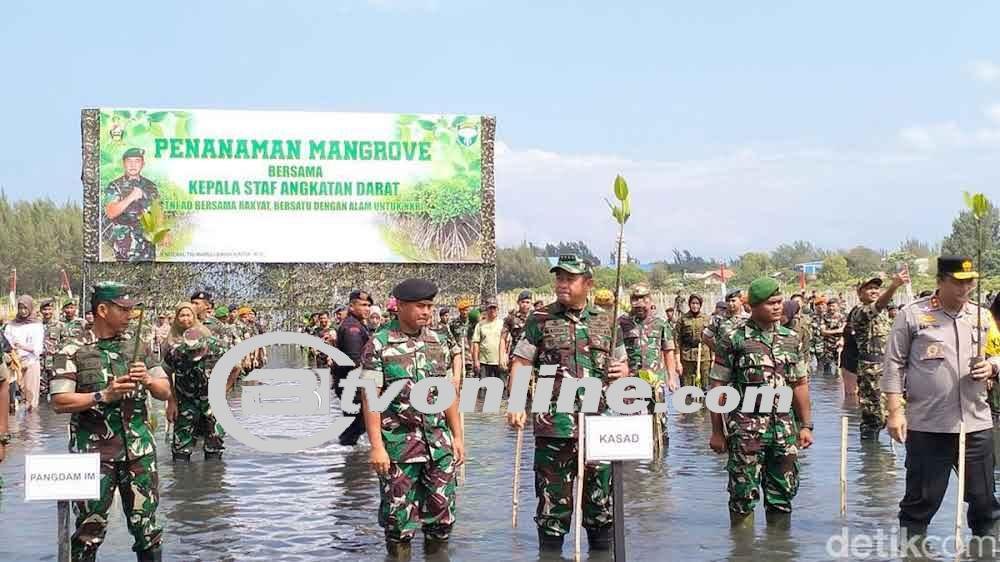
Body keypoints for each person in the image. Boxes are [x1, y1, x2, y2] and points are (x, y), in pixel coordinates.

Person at [506, 254, 628, 552]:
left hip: (599, 425)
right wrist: (517, 403)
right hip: (554, 426)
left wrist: (623, 372)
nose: (562, 284)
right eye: (559, 278)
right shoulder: (540, 319)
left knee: (600, 507)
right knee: (552, 506)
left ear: (588, 284)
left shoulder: (607, 321)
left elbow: (623, 367)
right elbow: (522, 362)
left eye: (569, 279)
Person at [883, 256, 1000, 550]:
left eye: (970, 282)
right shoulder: (912, 316)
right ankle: (912, 552)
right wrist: (895, 412)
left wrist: (993, 367)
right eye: (958, 282)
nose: (966, 288)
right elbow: (893, 364)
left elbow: (999, 352)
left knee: (985, 502)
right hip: (928, 425)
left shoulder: (982, 316)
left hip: (976, 423)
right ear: (940, 281)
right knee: (921, 502)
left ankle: (984, 552)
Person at [50, 282, 172, 561]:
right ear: (102, 310)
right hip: (94, 456)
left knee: (148, 531)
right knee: (88, 532)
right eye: (123, 308)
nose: (130, 314)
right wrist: (103, 395)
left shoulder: (137, 346)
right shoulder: (73, 350)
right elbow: (59, 402)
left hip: (139, 454)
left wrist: (149, 380)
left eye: (132, 309)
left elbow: (165, 391)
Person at [359, 279, 465, 558]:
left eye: (430, 306)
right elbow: (371, 398)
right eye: (421, 306)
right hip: (399, 446)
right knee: (399, 525)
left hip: (438, 445)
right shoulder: (379, 344)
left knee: (442, 519)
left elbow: (447, 393)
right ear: (401, 306)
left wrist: (457, 437)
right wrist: (376, 446)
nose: (427, 312)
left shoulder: (437, 341)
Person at [709, 277, 813, 528]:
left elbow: (799, 384)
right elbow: (717, 386)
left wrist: (806, 425)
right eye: (771, 303)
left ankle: (778, 549)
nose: (778, 307)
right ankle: (744, 551)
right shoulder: (734, 339)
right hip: (746, 431)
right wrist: (717, 432)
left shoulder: (792, 338)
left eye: (780, 302)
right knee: (743, 495)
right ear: (753, 306)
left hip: (784, 431)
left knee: (782, 494)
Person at [163, 301, 225, 461]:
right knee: (181, 450)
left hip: (210, 400)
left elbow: (235, 366)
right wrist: (171, 401)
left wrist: (224, 389)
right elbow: (165, 373)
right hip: (185, 400)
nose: (185, 319)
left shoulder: (211, 342)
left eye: (188, 314)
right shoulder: (172, 348)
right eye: (181, 315)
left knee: (214, 445)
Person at [851, 272, 908, 440]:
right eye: (869, 288)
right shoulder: (860, 312)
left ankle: (883, 460)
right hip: (871, 370)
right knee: (874, 417)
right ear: (860, 293)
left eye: (876, 288)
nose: (874, 291)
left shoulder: (883, 314)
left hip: (887, 368)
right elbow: (879, 305)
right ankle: (871, 458)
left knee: (894, 411)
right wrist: (894, 286)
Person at [620, 284, 679, 439]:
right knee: (631, 424)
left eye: (642, 300)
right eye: (635, 300)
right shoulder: (622, 323)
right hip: (630, 381)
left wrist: (671, 378)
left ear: (649, 300)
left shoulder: (660, 323)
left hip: (656, 381)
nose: (639, 304)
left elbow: (668, 351)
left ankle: (660, 460)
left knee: (660, 423)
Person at [103, 147, 159, 261]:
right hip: (126, 249)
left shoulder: (151, 186)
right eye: (129, 161)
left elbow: (158, 213)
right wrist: (131, 197)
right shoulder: (115, 186)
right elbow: (110, 212)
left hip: (147, 248)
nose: (133, 165)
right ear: (123, 164)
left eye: (137, 161)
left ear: (143, 163)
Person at [335, 289, 372, 446]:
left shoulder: (357, 325)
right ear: (351, 306)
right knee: (358, 424)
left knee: (358, 424)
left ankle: (351, 455)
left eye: (369, 305)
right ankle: (348, 457)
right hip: (353, 384)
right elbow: (354, 360)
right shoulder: (353, 329)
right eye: (363, 305)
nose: (367, 308)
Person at [4, 295, 43, 412]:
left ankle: (31, 427)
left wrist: (22, 347)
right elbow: (6, 342)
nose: (23, 311)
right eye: (20, 308)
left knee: (31, 397)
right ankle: (14, 428)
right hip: (14, 363)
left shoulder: (37, 325)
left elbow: (38, 348)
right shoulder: (11, 325)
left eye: (25, 308)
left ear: (30, 308)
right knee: (14, 397)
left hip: (30, 362)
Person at [675, 294, 711, 390]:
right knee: (687, 386)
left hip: (704, 356)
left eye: (697, 303)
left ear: (700, 305)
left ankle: (705, 404)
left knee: (705, 385)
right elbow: (677, 341)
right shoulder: (682, 319)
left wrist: (713, 358)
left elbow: (712, 339)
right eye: (693, 303)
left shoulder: (706, 318)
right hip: (687, 357)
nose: (695, 306)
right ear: (689, 304)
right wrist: (678, 362)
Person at [703, 289, 748, 353]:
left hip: (741, 359)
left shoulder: (747, 319)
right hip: (723, 361)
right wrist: (717, 350)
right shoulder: (718, 318)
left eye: (733, 301)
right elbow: (706, 336)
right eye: (728, 301)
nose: (730, 303)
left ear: (741, 301)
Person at [472, 297, 503, 384]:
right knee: (483, 389)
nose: (492, 310)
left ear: (497, 309)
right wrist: (476, 361)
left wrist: (505, 357)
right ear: (486, 309)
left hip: (499, 362)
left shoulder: (502, 324)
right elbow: (476, 343)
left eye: (494, 308)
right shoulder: (480, 325)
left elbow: (506, 342)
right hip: (484, 362)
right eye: (490, 308)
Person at [500, 290, 533, 372]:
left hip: (534, 355)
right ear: (518, 302)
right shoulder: (511, 318)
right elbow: (503, 338)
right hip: (517, 356)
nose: (525, 305)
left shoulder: (536, 317)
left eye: (528, 302)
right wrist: (502, 355)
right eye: (523, 302)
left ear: (531, 303)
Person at [819, 298, 846, 377]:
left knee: (840, 369)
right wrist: (838, 331)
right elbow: (823, 332)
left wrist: (841, 339)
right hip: (827, 346)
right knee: (826, 368)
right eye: (829, 306)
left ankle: (837, 387)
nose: (831, 308)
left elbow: (844, 331)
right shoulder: (824, 317)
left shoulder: (842, 317)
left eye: (833, 306)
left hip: (839, 345)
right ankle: (827, 386)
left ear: (838, 306)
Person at [449, 298, 473, 379]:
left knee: (471, 382)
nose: (465, 312)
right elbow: (450, 338)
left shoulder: (473, 323)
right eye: (463, 310)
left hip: (470, 357)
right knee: (459, 380)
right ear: (459, 311)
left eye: (466, 310)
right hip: (458, 357)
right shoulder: (453, 323)